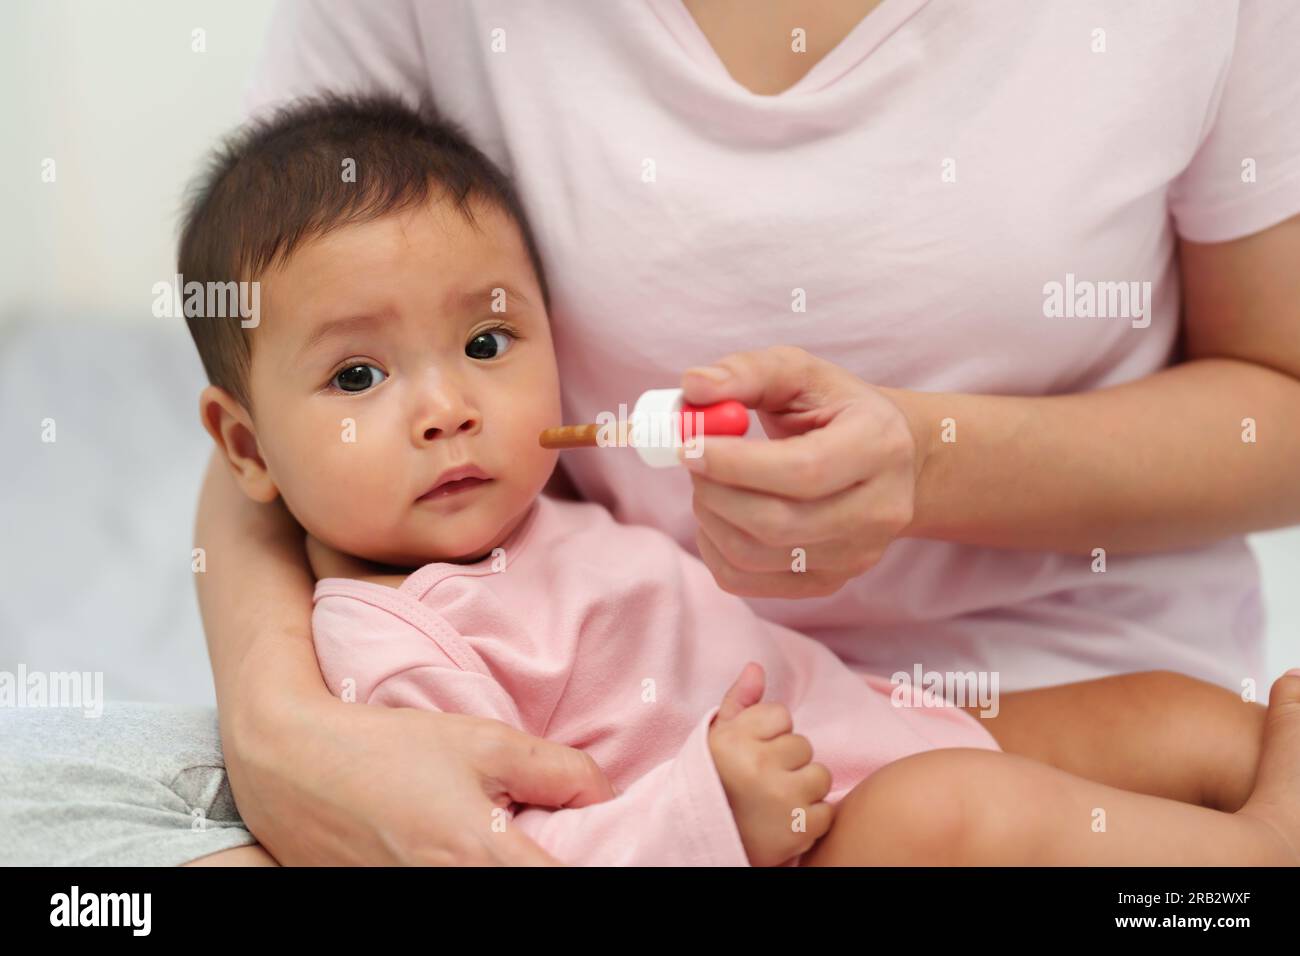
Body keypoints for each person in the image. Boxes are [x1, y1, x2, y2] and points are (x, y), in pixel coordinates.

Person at [3, 0, 1298, 866]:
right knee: (958, 816)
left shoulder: (544, 533)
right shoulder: (384, 648)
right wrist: (278, 730)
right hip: (793, 800)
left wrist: (929, 460)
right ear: (242, 446)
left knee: (1174, 723)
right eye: (360, 378)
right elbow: (540, 834)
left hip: (890, 700)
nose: (446, 405)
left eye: (490, 344)